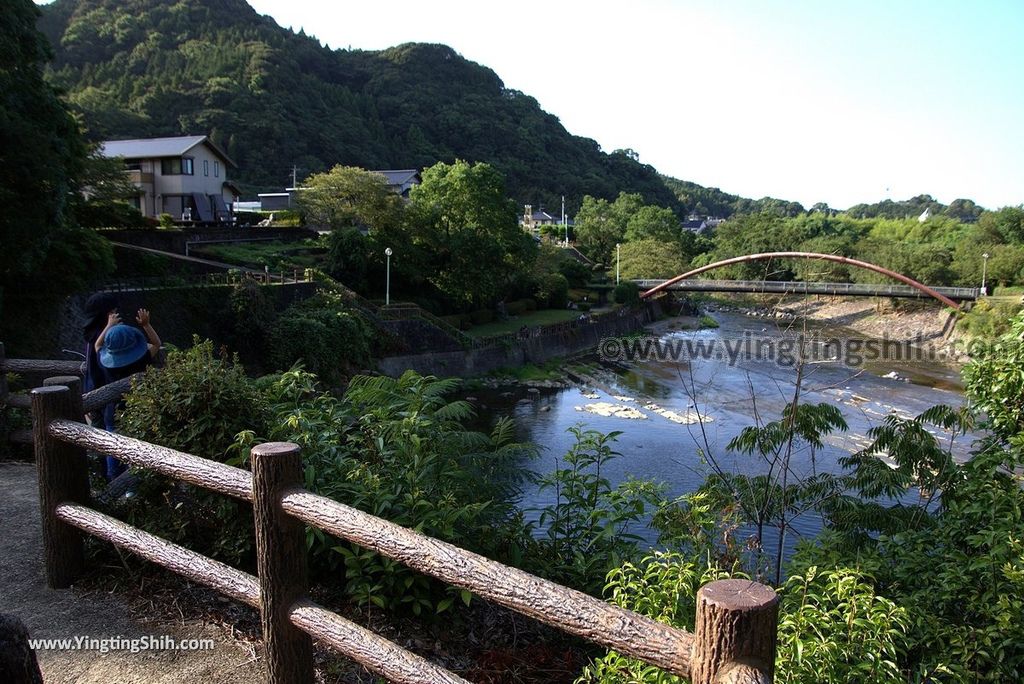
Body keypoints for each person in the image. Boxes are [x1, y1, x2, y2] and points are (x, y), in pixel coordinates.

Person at [95, 308, 161, 481]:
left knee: (112, 446)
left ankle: (112, 481)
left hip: (112, 412)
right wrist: (146, 325)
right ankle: (132, 486)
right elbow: (156, 344)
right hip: (137, 411)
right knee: (135, 448)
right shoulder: (142, 360)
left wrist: (108, 326)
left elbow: (97, 346)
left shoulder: (106, 365)